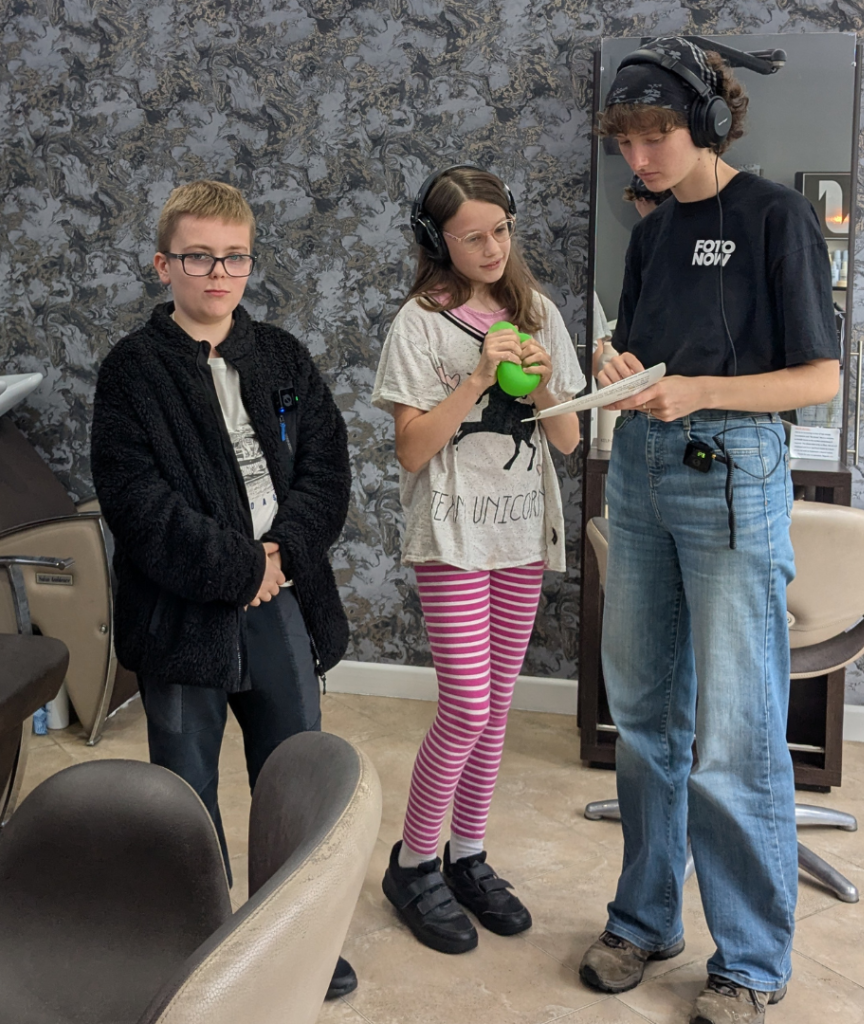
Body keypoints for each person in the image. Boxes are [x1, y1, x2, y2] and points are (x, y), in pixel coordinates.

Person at [577, 37, 840, 1024]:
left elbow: (818, 379)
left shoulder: (776, 219)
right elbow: (653, 355)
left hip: (733, 467)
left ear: (707, 124)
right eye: (627, 142)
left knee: (731, 735)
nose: (639, 160)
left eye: (656, 137)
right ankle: (644, 919)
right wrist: (622, 369)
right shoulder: (651, 235)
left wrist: (698, 391)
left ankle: (752, 959)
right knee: (642, 716)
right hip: (643, 465)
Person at [90, 179, 357, 999]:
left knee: (292, 771)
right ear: (163, 264)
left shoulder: (280, 356)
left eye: (234, 257)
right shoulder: (132, 372)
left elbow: (326, 469)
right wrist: (240, 568)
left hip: (283, 599)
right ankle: (198, 932)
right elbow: (138, 504)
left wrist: (280, 556)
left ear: (250, 263)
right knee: (183, 781)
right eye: (199, 257)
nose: (218, 273)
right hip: (182, 614)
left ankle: (290, 930)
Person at [372, 165, 585, 953]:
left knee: (496, 709)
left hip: (522, 531)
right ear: (438, 242)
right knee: (464, 706)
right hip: (454, 538)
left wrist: (538, 386)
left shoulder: (540, 314)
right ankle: (414, 861)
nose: (493, 247)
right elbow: (411, 449)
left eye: (502, 230)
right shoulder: (418, 325)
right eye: (473, 236)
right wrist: (477, 378)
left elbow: (567, 439)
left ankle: (468, 854)